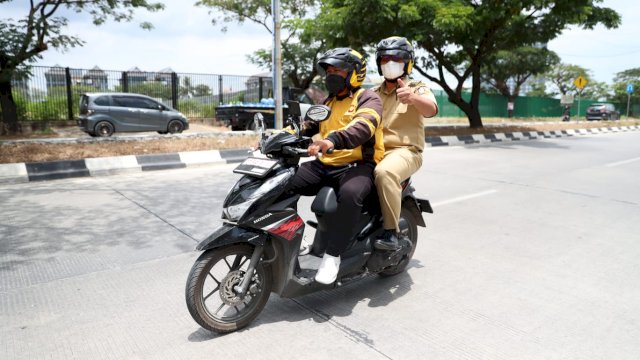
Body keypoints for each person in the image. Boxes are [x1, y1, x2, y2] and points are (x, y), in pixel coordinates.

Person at [286, 47, 384, 284]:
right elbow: (305, 126)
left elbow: (363, 126)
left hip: (359, 164)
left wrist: (332, 139)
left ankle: (333, 255)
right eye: (328, 70)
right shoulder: (327, 101)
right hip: (325, 164)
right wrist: (276, 138)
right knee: (285, 183)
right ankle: (293, 240)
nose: (331, 74)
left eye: (337, 69)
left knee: (350, 195)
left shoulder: (368, 98)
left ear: (353, 72)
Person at [372, 36, 438, 251]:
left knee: (385, 173)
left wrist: (413, 98)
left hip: (406, 151)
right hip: (374, 151)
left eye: (395, 58)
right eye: (384, 59)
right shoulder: (372, 93)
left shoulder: (416, 88)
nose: (389, 63)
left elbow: (431, 110)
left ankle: (391, 233)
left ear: (407, 62)